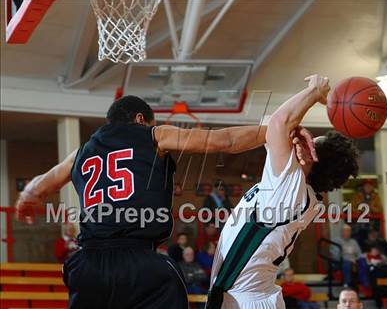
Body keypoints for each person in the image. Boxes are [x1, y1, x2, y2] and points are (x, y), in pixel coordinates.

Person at [15, 95, 268, 309]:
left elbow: (40, 185)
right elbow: (225, 141)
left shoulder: (81, 152)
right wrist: (275, 131)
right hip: (140, 263)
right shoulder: (153, 135)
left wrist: (26, 198)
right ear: (140, 119)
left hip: (87, 266)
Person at [206, 75, 359, 309]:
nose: (301, 141)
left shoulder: (290, 186)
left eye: (311, 141)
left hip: (246, 299)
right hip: (249, 295)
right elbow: (271, 127)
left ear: (311, 155)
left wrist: (314, 93)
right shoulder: (298, 190)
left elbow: (277, 122)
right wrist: (294, 129)